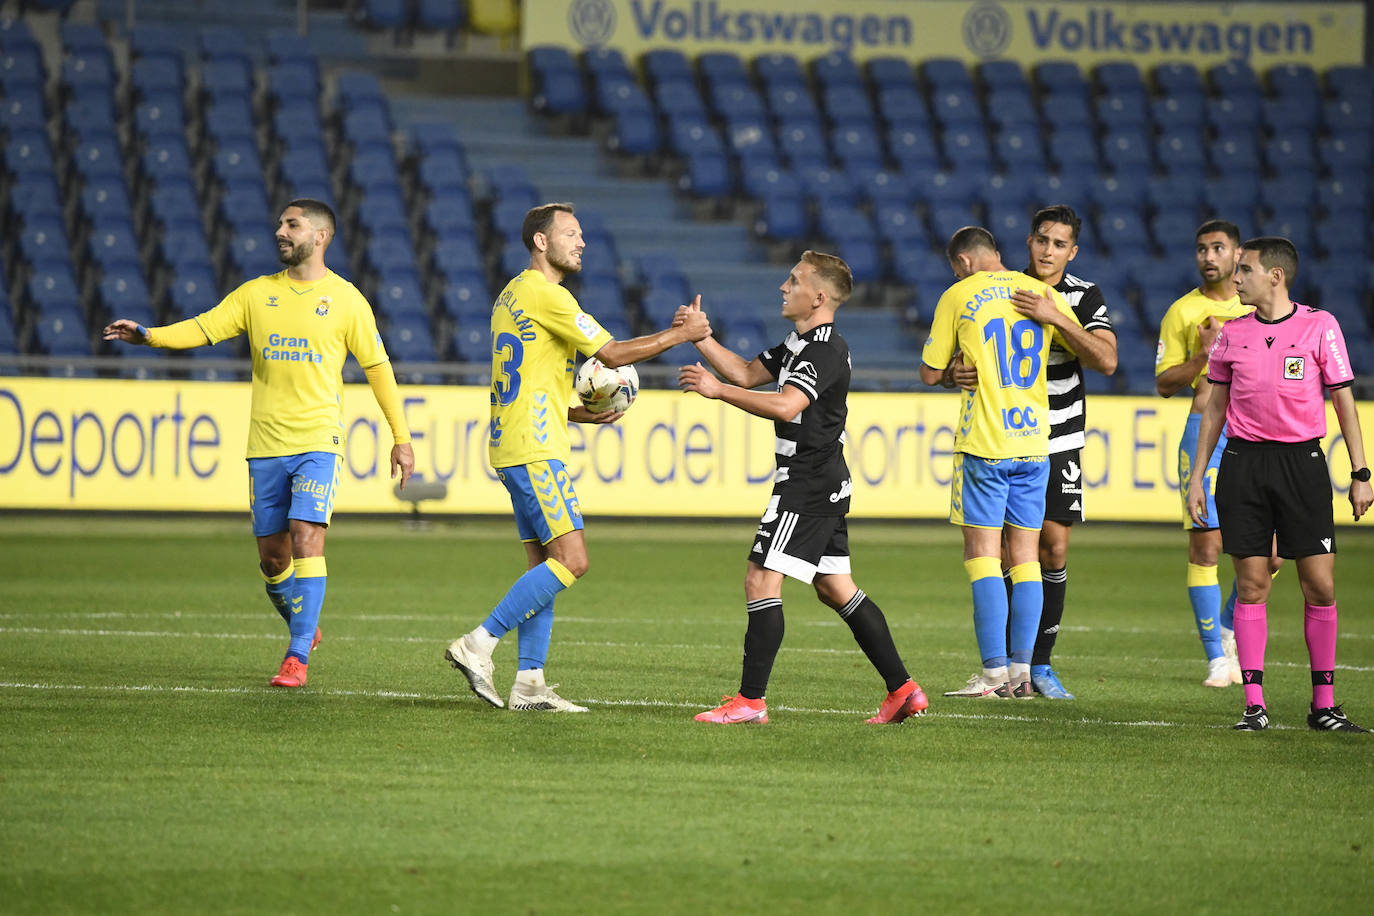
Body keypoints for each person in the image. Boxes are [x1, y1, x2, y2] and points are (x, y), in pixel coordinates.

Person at [103, 198, 415, 688]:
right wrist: (151, 337)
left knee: (307, 534)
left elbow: (378, 369)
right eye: (279, 224)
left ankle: (296, 659)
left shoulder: (348, 300)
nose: (280, 232)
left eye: (291, 225)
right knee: (273, 559)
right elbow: (205, 328)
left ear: (321, 235)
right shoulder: (255, 295)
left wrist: (401, 437)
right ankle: (305, 629)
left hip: (318, 440)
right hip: (265, 444)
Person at [444, 202, 711, 713]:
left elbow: (531, 381)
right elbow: (610, 354)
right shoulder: (550, 296)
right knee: (573, 560)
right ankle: (478, 644)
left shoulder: (511, 294)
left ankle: (529, 682)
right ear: (540, 242)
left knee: (543, 564)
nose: (581, 242)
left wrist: (580, 415)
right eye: (570, 233)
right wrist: (682, 335)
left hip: (515, 440)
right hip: (536, 449)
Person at [678, 251, 928, 725]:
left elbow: (787, 406)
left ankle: (750, 702)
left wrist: (717, 392)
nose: (783, 287)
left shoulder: (823, 350)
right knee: (835, 588)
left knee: (760, 579)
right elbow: (748, 373)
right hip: (823, 479)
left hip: (807, 482)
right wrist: (701, 337)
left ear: (818, 296)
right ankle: (903, 690)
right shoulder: (801, 342)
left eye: (793, 281)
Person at [1186, 236, 1371, 732]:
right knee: (1251, 586)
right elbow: (1214, 410)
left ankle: (1324, 705)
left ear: (1275, 276)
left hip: (1303, 467)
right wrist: (1199, 475)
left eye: (1243, 270)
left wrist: (1360, 472)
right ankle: (1254, 704)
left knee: (1321, 585)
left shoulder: (1319, 326)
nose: (1235, 278)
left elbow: (1344, 402)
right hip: (1243, 467)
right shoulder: (1231, 334)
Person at [953, 205, 1118, 699]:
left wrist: (1055, 317)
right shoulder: (999, 289)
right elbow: (958, 357)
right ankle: (1003, 669)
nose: (1048, 251)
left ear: (1073, 251)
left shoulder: (1082, 296)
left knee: (1052, 548)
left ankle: (1039, 666)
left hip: (1059, 435)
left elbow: (1107, 359)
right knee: (1003, 552)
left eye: (1059, 244)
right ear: (1028, 242)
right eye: (1042, 240)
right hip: (1001, 437)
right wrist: (951, 376)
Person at [920, 227, 1082, 699]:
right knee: (1027, 559)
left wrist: (953, 370)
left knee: (984, 558)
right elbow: (1078, 345)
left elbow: (931, 372)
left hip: (985, 443)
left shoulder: (959, 294)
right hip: (1035, 444)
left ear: (965, 262)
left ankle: (992, 675)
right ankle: (1023, 673)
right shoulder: (1038, 292)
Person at [1155, 219, 1270, 688]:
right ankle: (1217, 659)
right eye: (1201, 248)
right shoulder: (1183, 311)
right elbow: (1164, 384)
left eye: (1218, 248)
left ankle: (1227, 626)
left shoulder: (1259, 306)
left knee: (1275, 553)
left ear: (1238, 253)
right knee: (1207, 545)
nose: (1208, 257)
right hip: (1207, 431)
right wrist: (1205, 356)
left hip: (1261, 435)